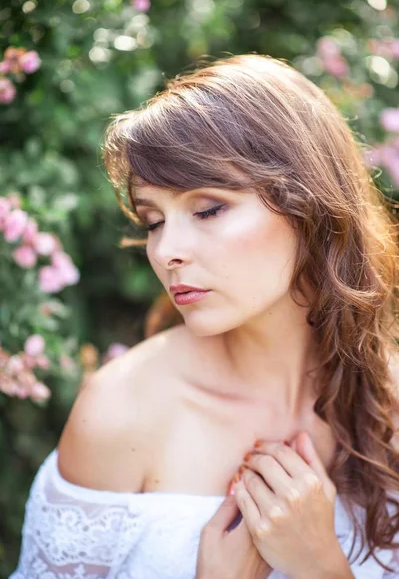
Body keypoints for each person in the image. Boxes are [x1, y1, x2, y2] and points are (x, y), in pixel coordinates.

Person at [10, 53, 399, 579]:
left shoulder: (390, 398)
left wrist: (322, 569)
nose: (167, 250)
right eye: (152, 220)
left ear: (310, 203)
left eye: (208, 209)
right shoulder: (120, 413)